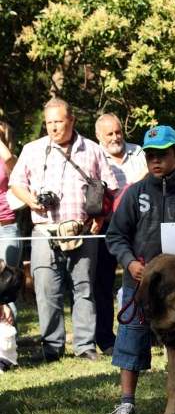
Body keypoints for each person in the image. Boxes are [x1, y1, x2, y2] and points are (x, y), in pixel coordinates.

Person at [105, 125, 175, 414]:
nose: (155, 160)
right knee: (130, 338)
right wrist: (129, 263)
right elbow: (115, 236)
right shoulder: (134, 193)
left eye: (162, 155)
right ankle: (126, 402)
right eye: (150, 155)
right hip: (139, 285)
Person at [9, 98, 118, 363]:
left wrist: (101, 215)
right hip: (45, 231)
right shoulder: (33, 149)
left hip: (83, 229)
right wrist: (31, 200)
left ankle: (84, 345)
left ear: (71, 120)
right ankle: (51, 347)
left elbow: (110, 187)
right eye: (49, 122)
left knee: (84, 289)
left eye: (58, 121)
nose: (53, 127)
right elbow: (16, 182)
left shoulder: (92, 149)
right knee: (46, 290)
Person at [94, 113, 148, 356]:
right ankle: (106, 340)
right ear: (98, 136)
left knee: (145, 278)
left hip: (139, 226)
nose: (116, 137)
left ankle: (149, 332)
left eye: (118, 131)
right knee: (102, 284)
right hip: (105, 226)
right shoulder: (92, 155)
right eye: (109, 133)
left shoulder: (140, 153)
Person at [0, 122, 22, 324]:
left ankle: (9, 344)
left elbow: (9, 160)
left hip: (5, 228)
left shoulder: (11, 161)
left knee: (7, 286)